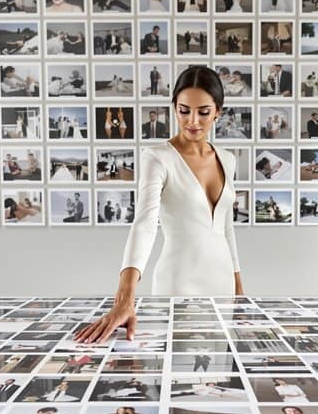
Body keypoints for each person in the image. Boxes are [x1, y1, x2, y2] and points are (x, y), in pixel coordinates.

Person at [75, 66, 244, 344]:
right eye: (183, 110)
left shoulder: (227, 159)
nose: (192, 120)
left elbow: (226, 228)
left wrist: (238, 285)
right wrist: (125, 298)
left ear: (218, 112)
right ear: (174, 108)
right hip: (178, 281)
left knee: (215, 374)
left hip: (223, 283)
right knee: (177, 374)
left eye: (203, 112)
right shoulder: (158, 157)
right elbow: (144, 225)